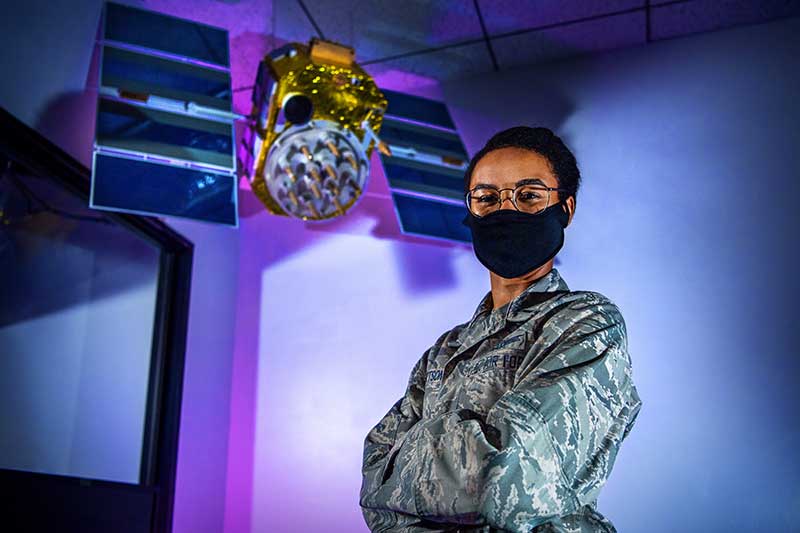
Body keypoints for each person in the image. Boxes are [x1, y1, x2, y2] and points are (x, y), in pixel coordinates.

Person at [359, 126, 643, 533]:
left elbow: (505, 476)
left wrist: (412, 460)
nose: (505, 211)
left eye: (529, 196)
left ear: (566, 209)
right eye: (487, 199)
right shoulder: (443, 352)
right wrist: (461, 449)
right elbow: (373, 483)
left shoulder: (587, 323)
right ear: (470, 211)